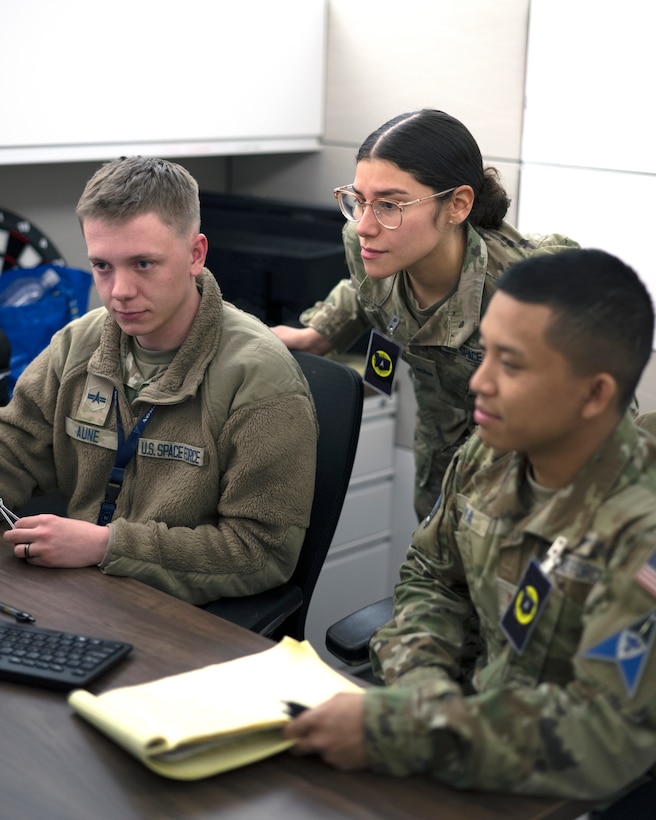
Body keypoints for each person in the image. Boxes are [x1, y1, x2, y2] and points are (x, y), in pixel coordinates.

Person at [283, 248, 656, 812]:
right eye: (485, 353)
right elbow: (431, 579)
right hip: (466, 746)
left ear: (595, 394)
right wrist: (422, 692)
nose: (478, 381)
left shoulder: (641, 530)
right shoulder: (491, 453)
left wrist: (410, 729)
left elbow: (605, 735)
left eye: (511, 364)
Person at [0, 156, 318, 604]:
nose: (120, 291)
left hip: (187, 620)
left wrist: (106, 546)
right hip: (85, 595)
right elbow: (13, 449)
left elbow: (260, 551)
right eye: (103, 266)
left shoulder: (259, 378)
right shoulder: (79, 344)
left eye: (143, 264)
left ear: (195, 254)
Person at [272, 108, 578, 520]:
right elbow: (367, 291)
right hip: (440, 463)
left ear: (458, 205)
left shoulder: (533, 291)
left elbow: (604, 424)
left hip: (531, 490)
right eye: (358, 200)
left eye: (389, 204)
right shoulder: (372, 247)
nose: (364, 225)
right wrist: (320, 333)